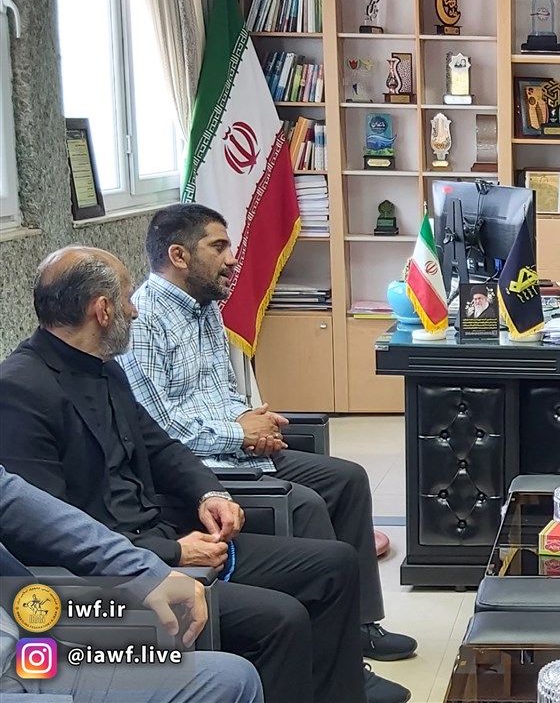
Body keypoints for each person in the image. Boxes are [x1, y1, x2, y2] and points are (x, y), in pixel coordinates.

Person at [0, 246, 409, 703]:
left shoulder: (105, 368)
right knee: (281, 618)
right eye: (128, 299)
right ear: (102, 309)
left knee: (334, 565)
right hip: (109, 579)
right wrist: (171, 553)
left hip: (170, 537)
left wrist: (208, 494)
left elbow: (160, 447)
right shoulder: (20, 389)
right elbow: (48, 532)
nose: (135, 311)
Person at [117, 205, 416, 667]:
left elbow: (223, 391)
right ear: (178, 255)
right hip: (203, 467)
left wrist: (256, 422)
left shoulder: (204, 308)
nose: (232, 258)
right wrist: (239, 434)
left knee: (348, 479)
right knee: (307, 504)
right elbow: (160, 429)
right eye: (219, 247)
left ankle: (358, 628)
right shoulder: (145, 321)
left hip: (238, 449)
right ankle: (333, 660)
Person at [0, 465, 263, 703]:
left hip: (22, 657)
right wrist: (173, 552)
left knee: (232, 679)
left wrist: (143, 571)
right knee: (269, 621)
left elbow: (10, 497)